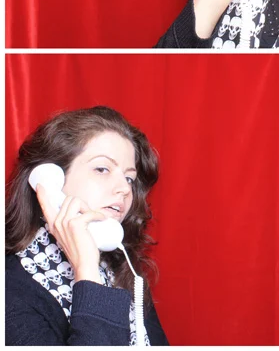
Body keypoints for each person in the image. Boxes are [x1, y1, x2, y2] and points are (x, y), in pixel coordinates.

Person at [5, 107, 168, 346]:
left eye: (129, 178)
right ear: (50, 182)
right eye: (102, 169)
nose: (125, 188)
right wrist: (87, 273)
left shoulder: (122, 271)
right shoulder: (10, 290)